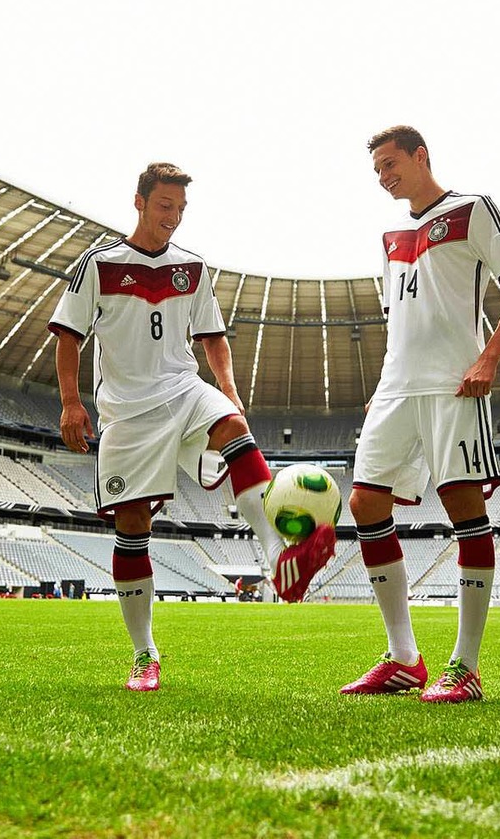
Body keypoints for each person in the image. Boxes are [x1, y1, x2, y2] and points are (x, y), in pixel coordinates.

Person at [48, 162, 335, 692]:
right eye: (164, 206)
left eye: (180, 209)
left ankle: (277, 553)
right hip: (128, 412)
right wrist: (71, 403)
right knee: (132, 526)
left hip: (183, 388)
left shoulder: (193, 267)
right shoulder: (99, 263)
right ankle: (144, 655)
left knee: (231, 426)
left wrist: (227, 388)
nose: (173, 218)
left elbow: (213, 337)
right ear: (139, 202)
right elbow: (68, 335)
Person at [341, 127, 500, 703]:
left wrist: (489, 357)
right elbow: (394, 322)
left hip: (455, 385)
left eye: (390, 163)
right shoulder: (389, 236)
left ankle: (466, 667)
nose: (383, 175)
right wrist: (381, 385)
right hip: (397, 387)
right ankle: (404, 658)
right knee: (364, 501)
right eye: (376, 169)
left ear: (420, 155)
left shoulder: (472, 209)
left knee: (462, 506)